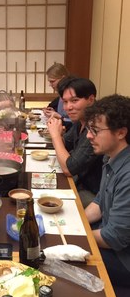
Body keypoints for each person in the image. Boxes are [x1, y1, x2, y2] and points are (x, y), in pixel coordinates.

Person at [84, 94, 130, 286]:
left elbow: (113, 238)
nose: (88, 136)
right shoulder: (111, 156)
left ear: (120, 133)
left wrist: (78, 237)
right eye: (88, 129)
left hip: (123, 260)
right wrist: (78, 225)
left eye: (95, 130)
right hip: (109, 237)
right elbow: (100, 202)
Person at [47, 76, 103, 207]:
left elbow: (69, 168)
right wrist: (59, 134)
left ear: (91, 99)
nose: (68, 107)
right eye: (65, 102)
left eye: (74, 101)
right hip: (78, 182)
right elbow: (65, 146)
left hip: (92, 193)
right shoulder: (80, 122)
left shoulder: (95, 127)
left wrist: (55, 136)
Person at [43, 63, 72, 130]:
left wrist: (59, 117)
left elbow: (77, 123)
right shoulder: (61, 94)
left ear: (63, 78)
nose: (50, 85)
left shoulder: (72, 93)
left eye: (52, 81)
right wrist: (53, 111)